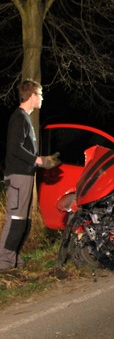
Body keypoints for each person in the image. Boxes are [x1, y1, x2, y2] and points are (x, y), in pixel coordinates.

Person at [0, 80, 61, 270]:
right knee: (16, 219)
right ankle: (3, 261)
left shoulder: (24, 118)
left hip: (24, 176)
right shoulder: (19, 118)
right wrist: (39, 160)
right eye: (40, 95)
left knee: (24, 222)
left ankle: (14, 259)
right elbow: (14, 148)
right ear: (32, 96)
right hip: (18, 177)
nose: (42, 99)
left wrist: (41, 161)